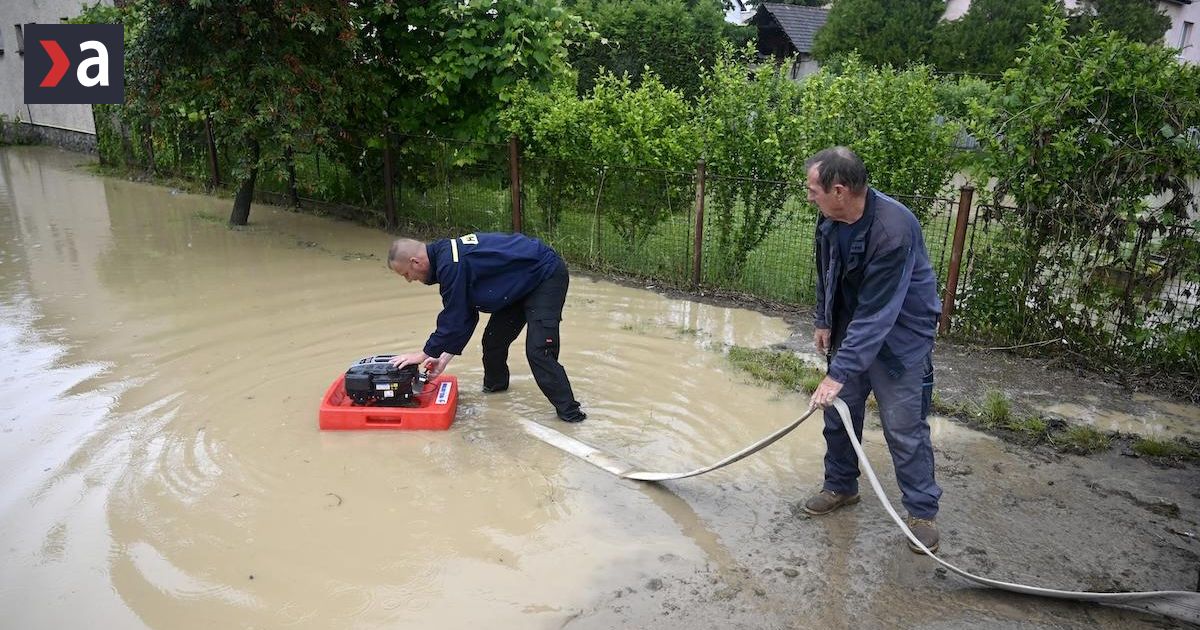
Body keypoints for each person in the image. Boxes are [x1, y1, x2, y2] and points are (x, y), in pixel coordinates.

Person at [802, 147, 943, 553]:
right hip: (853, 331)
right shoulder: (830, 218)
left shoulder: (893, 230)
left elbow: (879, 313)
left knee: (904, 428)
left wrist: (836, 372)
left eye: (814, 190)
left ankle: (922, 513)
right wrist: (824, 318)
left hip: (899, 342)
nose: (810, 196)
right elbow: (825, 268)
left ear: (840, 190)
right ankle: (841, 487)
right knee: (839, 416)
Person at [386, 232, 587, 423]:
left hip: (545, 275)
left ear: (415, 262)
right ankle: (496, 394)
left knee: (539, 351)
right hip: (518, 285)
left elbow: (454, 318)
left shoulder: (451, 265)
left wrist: (423, 354)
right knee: (493, 342)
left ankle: (572, 416)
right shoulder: (447, 260)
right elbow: (465, 315)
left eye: (406, 274)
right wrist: (443, 357)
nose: (410, 279)